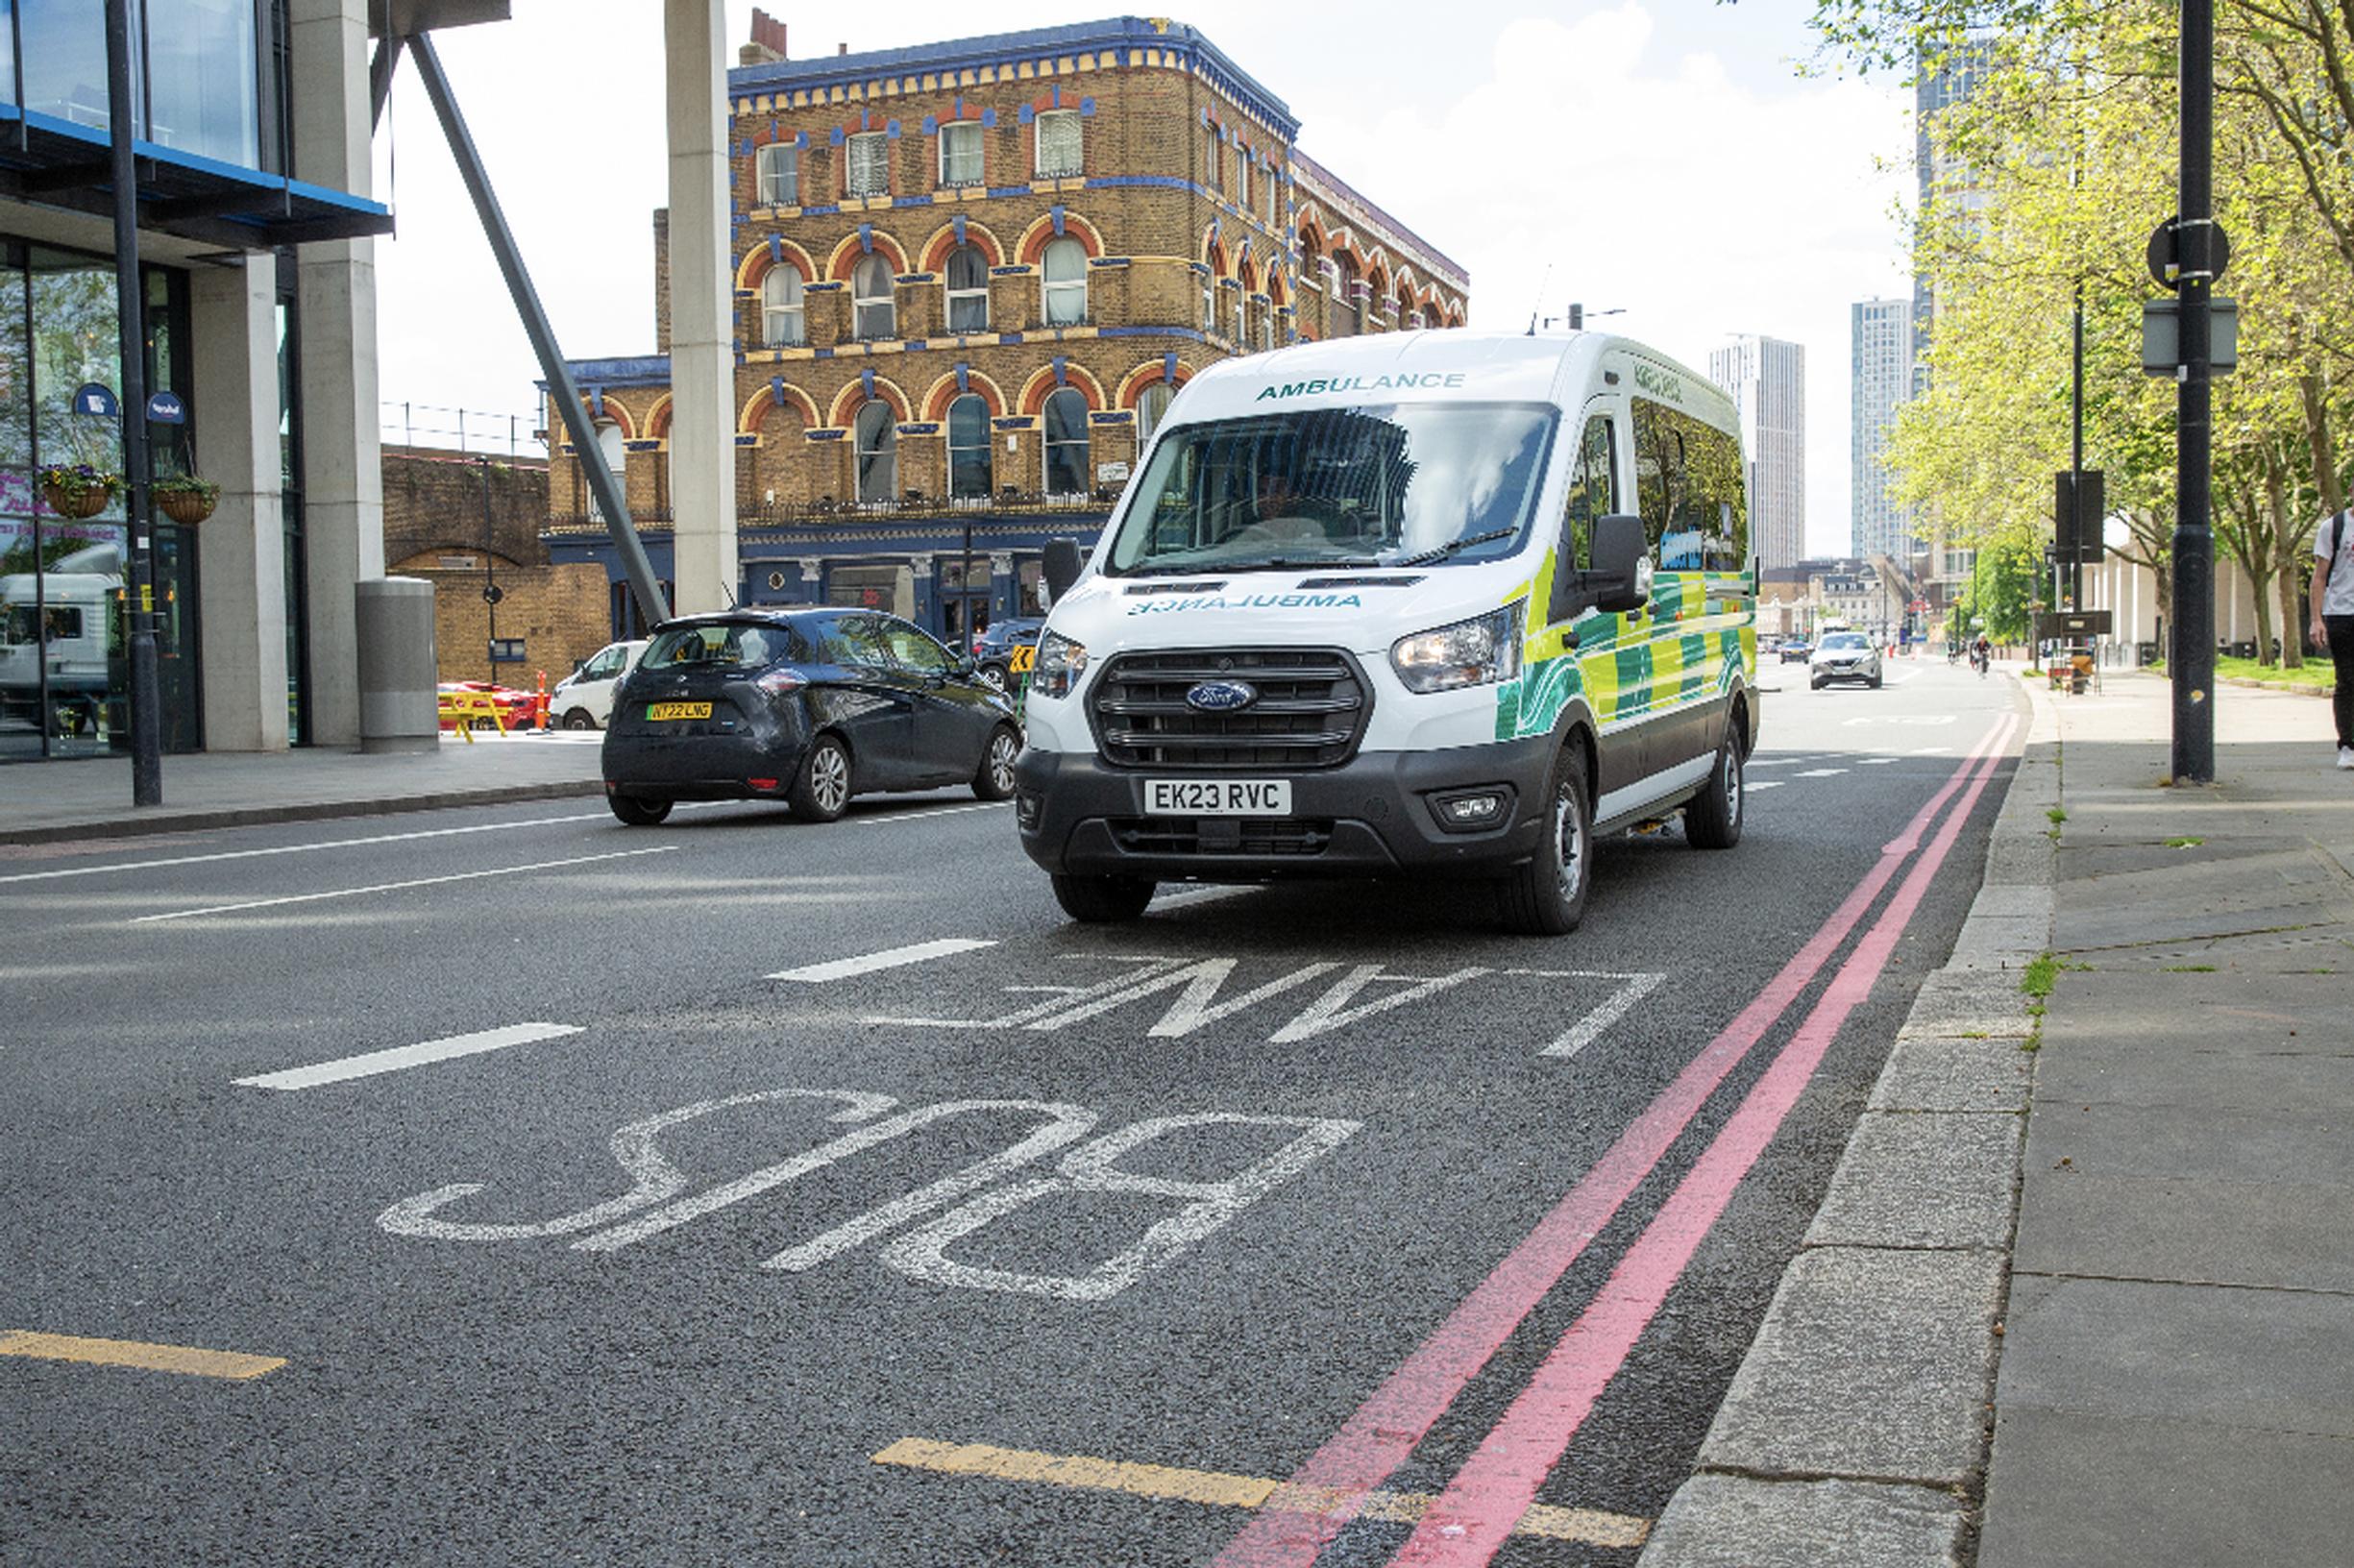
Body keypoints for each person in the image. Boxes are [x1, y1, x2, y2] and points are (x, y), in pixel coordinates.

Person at [2307, 504, 2354, 770]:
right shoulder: (2334, 527)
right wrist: (2316, 619)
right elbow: (2319, 577)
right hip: (2342, 613)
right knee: (2347, 681)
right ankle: (2347, 745)